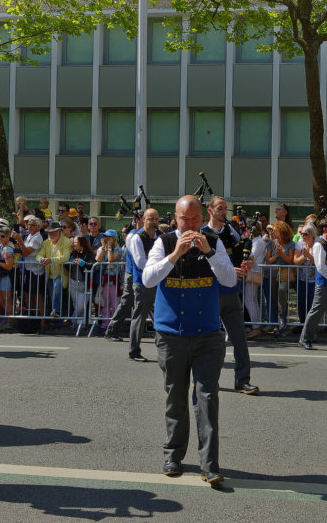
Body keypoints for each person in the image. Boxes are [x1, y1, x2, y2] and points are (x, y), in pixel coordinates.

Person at [142, 196, 237, 484]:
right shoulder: (164, 242)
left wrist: (209, 252)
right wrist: (174, 255)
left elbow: (230, 280)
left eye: (196, 219)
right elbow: (148, 279)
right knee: (175, 396)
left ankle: (210, 464)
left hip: (208, 335)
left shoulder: (213, 242)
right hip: (172, 335)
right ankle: (173, 455)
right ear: (176, 218)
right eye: (185, 219)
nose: (191, 224)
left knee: (207, 398)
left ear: (203, 218)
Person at [202, 197, 258, 393]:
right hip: (211, 294)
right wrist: (227, 271)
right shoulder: (203, 234)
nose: (223, 211)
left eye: (225, 208)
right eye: (219, 208)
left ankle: (242, 380)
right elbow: (200, 264)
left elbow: (243, 254)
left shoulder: (231, 232)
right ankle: (205, 379)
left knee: (240, 338)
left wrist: (248, 263)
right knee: (210, 340)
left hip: (231, 292)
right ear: (209, 211)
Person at [106, 209, 159, 363]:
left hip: (156, 280)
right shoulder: (134, 237)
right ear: (141, 219)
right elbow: (140, 262)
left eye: (156, 219)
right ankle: (130, 346)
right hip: (137, 278)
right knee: (135, 310)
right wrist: (160, 265)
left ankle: (162, 344)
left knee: (156, 313)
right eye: (149, 218)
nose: (153, 222)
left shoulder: (159, 236)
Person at [298, 216, 327, 350]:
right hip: (324, 285)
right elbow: (321, 267)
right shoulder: (319, 245)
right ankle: (305, 338)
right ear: (325, 229)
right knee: (316, 312)